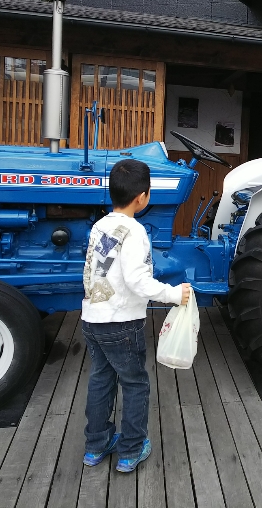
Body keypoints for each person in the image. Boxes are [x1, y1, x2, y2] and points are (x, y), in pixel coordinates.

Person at [81, 158, 192, 473]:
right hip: (121, 324)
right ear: (143, 197)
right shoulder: (136, 231)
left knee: (101, 378)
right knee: (134, 383)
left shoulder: (100, 225)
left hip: (92, 319)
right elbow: (137, 280)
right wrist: (173, 294)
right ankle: (130, 449)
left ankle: (96, 445)